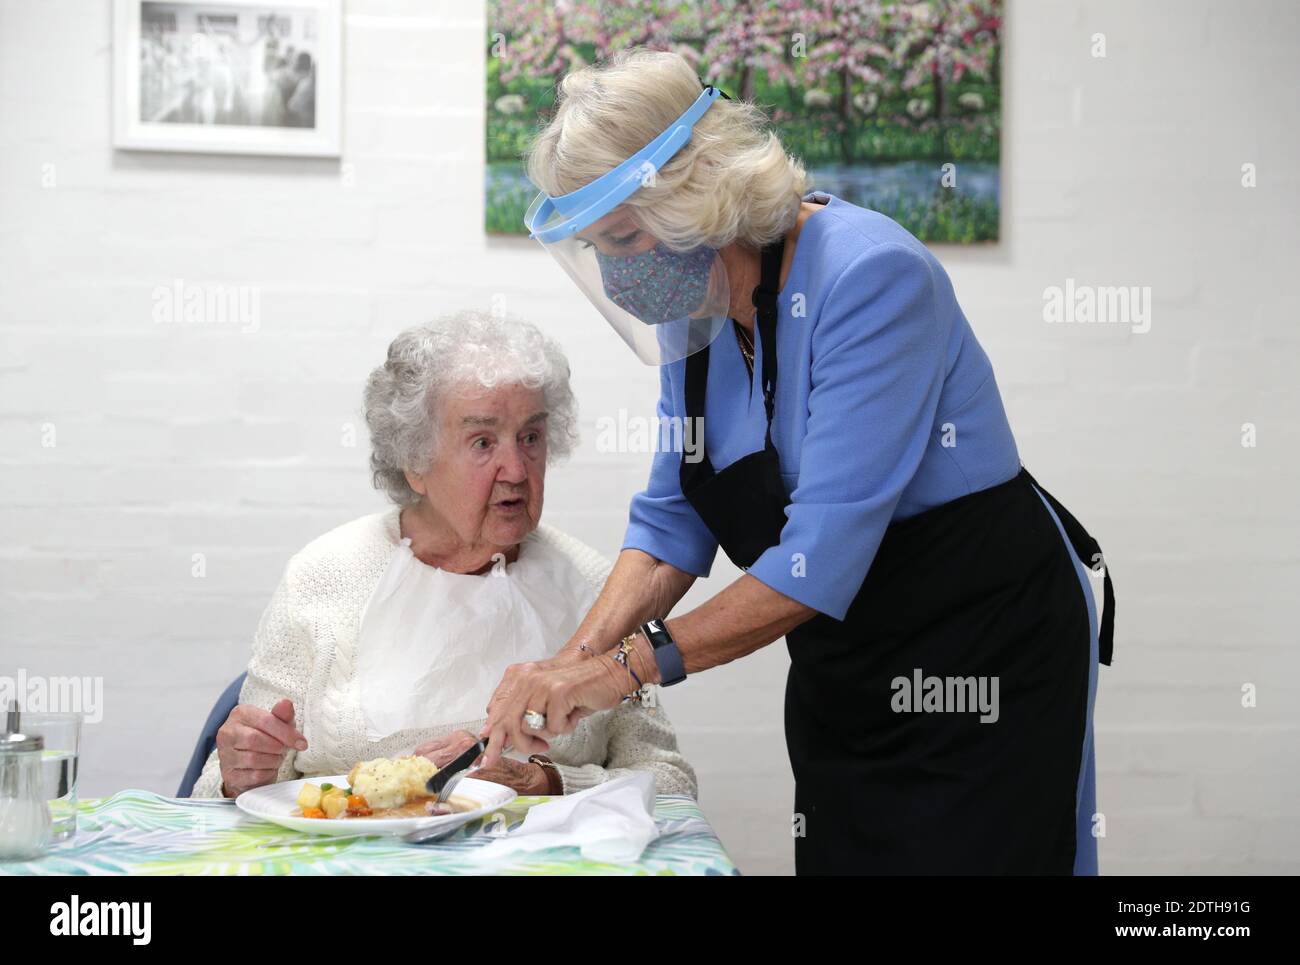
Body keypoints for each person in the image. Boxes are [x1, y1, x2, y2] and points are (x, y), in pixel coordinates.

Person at [478, 48, 1112, 875]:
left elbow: (817, 562)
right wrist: (569, 661)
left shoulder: (871, 277)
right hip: (847, 661)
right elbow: (674, 521)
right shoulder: (693, 302)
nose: (619, 272)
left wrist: (620, 672)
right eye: (599, 249)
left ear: (696, 196)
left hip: (982, 650)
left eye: (626, 235)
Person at [190, 311, 696, 800]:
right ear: (415, 460)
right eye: (482, 441)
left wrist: (547, 781)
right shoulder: (323, 575)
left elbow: (669, 781)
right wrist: (241, 774)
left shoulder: (596, 584)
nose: (517, 470)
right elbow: (221, 786)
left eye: (531, 437)